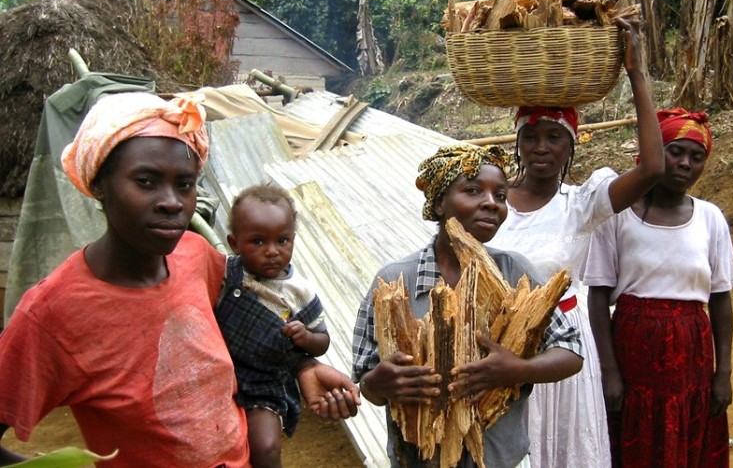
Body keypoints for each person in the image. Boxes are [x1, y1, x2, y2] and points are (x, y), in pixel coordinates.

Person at [0, 92, 359, 467]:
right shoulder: (51, 314)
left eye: (184, 184)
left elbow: (254, 323)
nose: (172, 202)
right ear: (100, 183)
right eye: (146, 181)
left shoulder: (196, 255)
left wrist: (304, 367)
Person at [484, 17, 665, 468]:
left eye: (553, 138)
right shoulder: (492, 204)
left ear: (571, 148)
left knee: (565, 452)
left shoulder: (582, 203)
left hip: (562, 350)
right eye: (531, 137)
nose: (541, 147)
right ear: (518, 143)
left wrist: (636, 73)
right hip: (501, 347)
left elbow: (652, 170)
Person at [352, 144, 584, 467]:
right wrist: (378, 384)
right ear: (438, 203)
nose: (490, 203)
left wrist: (517, 370)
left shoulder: (516, 273)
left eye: (500, 195)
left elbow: (571, 351)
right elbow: (366, 378)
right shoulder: (394, 282)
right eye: (473, 191)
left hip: (500, 459)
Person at [581, 108, 733, 467]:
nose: (685, 163)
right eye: (675, 151)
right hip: (634, 349)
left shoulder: (710, 218)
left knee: (688, 429)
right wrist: (610, 372)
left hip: (692, 350)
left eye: (696, 157)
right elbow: (598, 295)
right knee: (637, 433)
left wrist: (723, 373)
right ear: (653, 153)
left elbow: (721, 299)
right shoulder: (618, 215)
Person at [216, 183, 330, 468]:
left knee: (264, 446)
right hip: (220, 375)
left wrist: (305, 338)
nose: (272, 251)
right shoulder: (224, 273)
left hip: (265, 384)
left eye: (282, 241)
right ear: (234, 243)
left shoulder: (299, 292)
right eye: (257, 242)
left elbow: (323, 340)